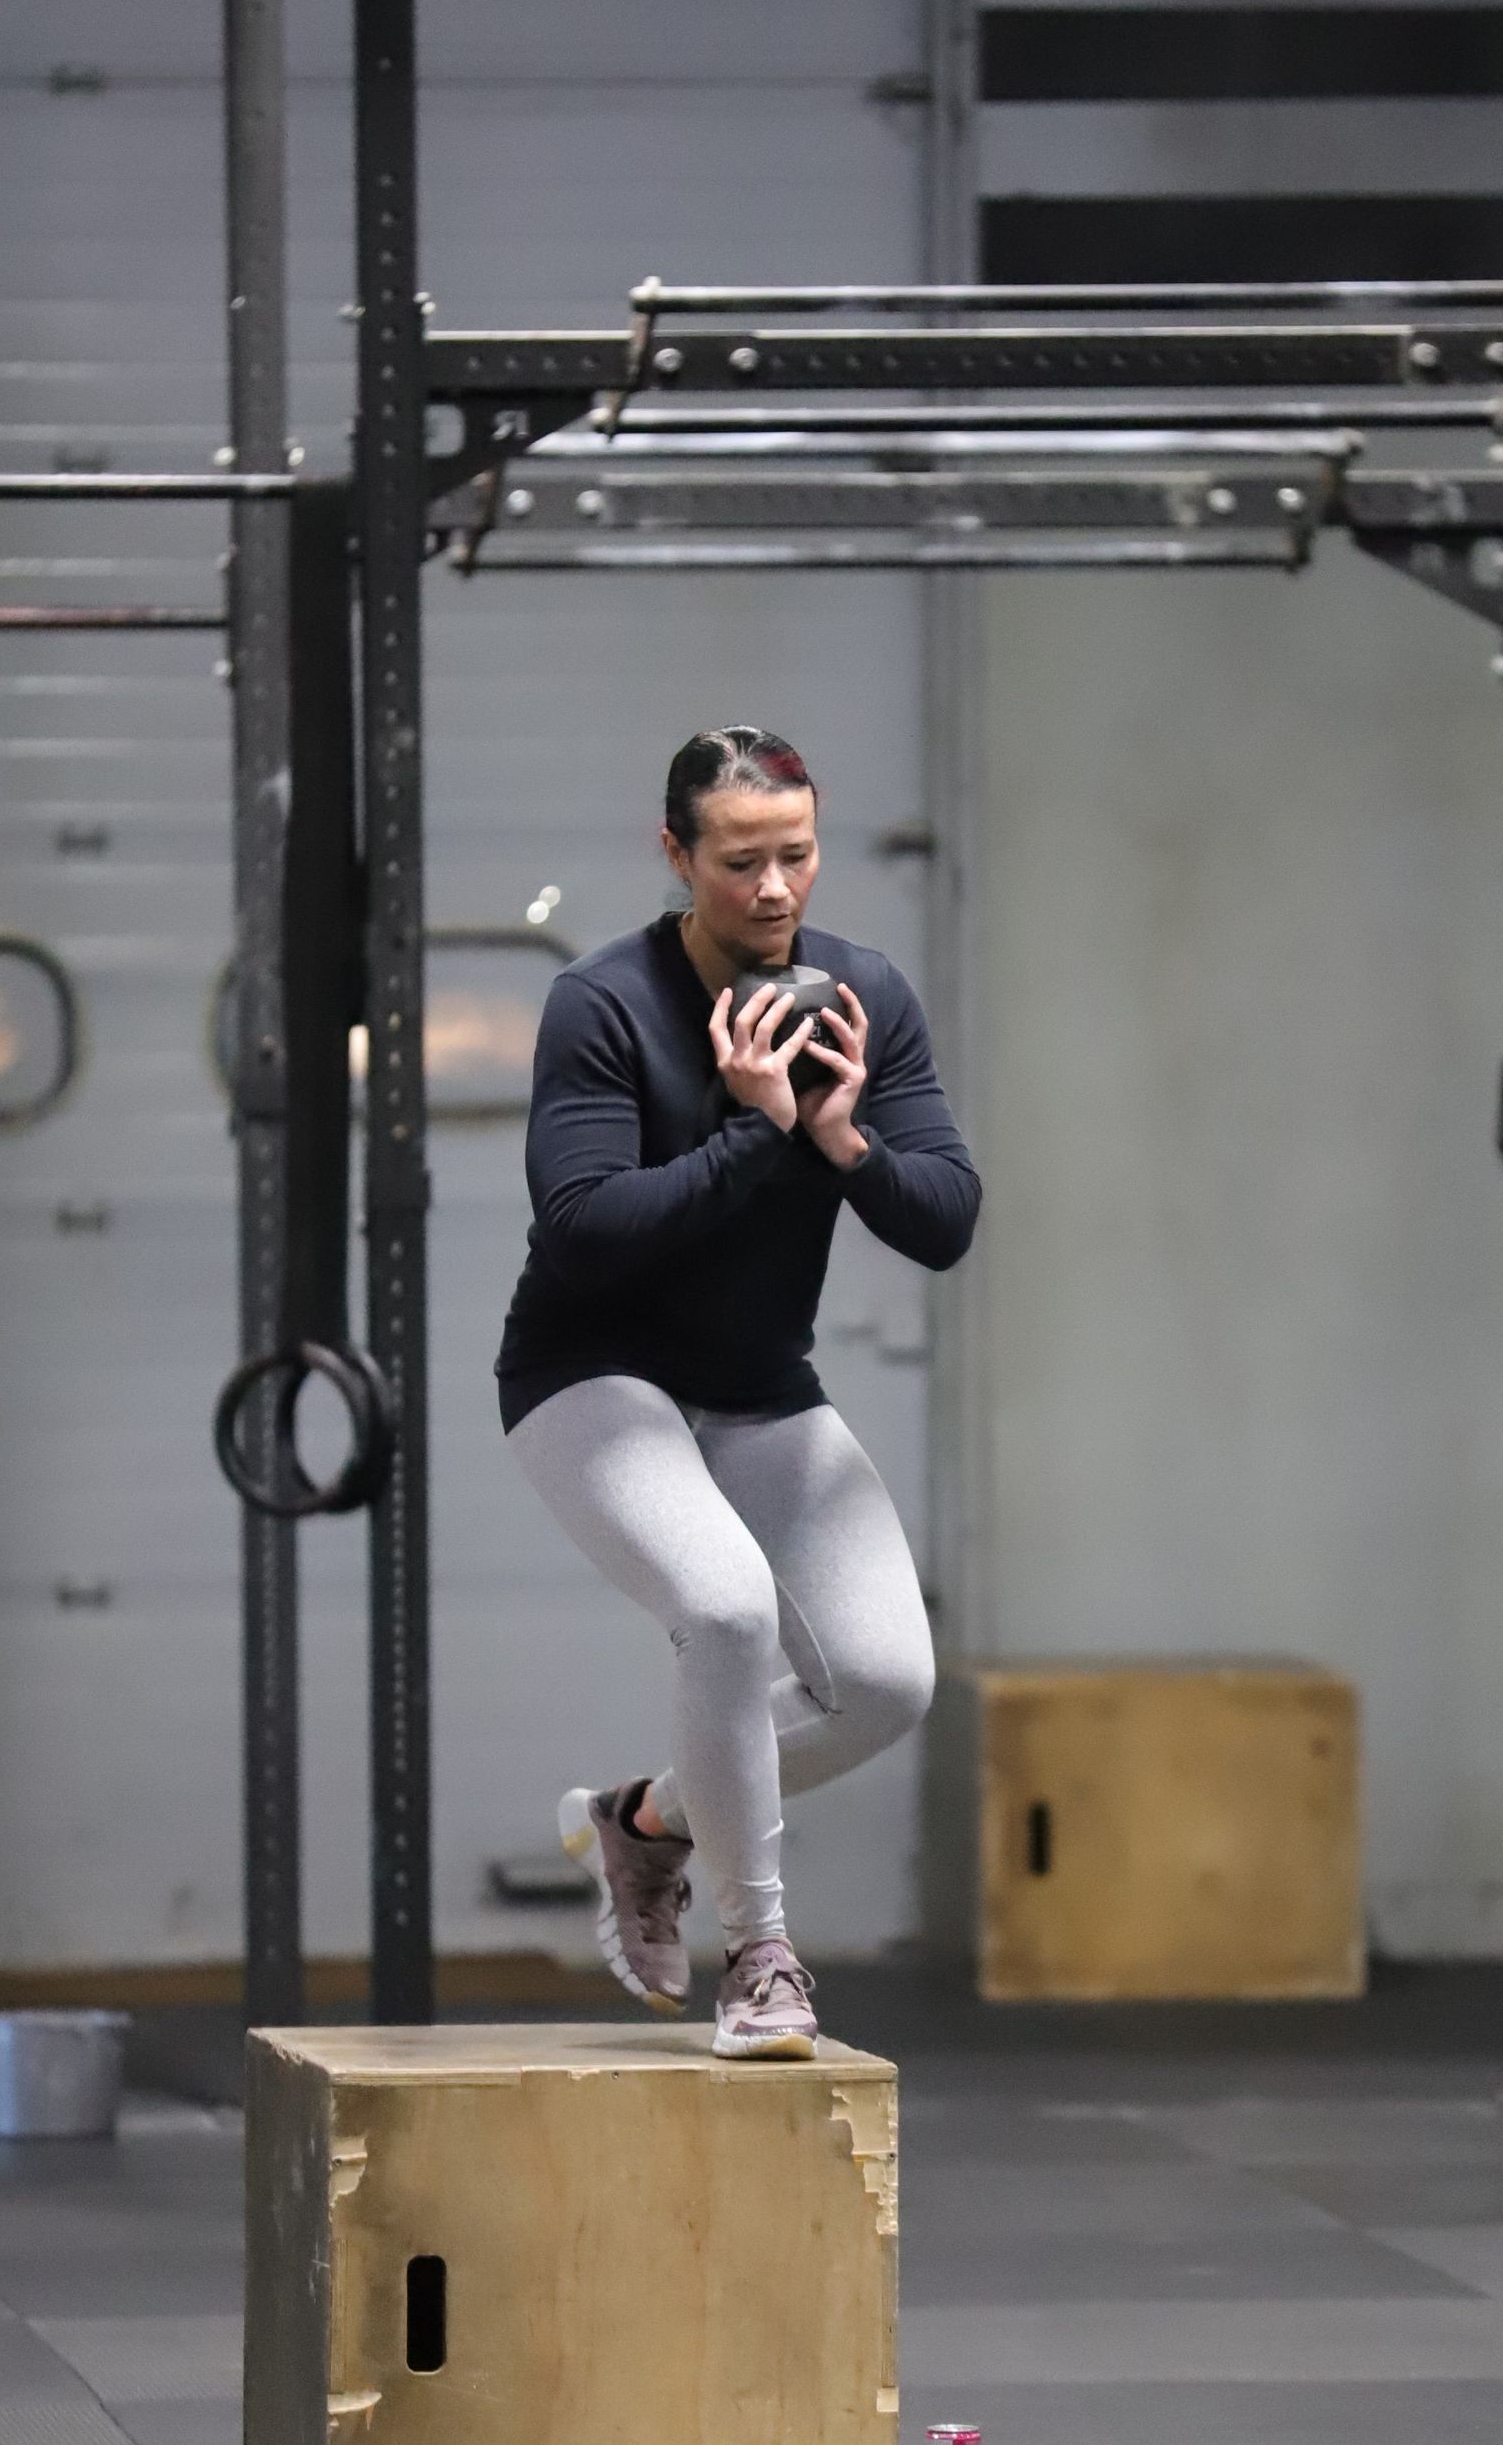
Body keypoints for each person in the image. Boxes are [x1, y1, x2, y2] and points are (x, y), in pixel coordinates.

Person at [497, 725, 980, 2058]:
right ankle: (760, 1954)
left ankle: (643, 1821)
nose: (774, 889)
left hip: (759, 1389)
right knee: (722, 1605)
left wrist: (842, 1136)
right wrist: (753, 1134)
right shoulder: (604, 1004)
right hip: (592, 1375)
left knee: (884, 1682)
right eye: (740, 860)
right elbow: (586, 1227)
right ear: (677, 854)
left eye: (798, 855)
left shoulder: (858, 995)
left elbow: (945, 1219)